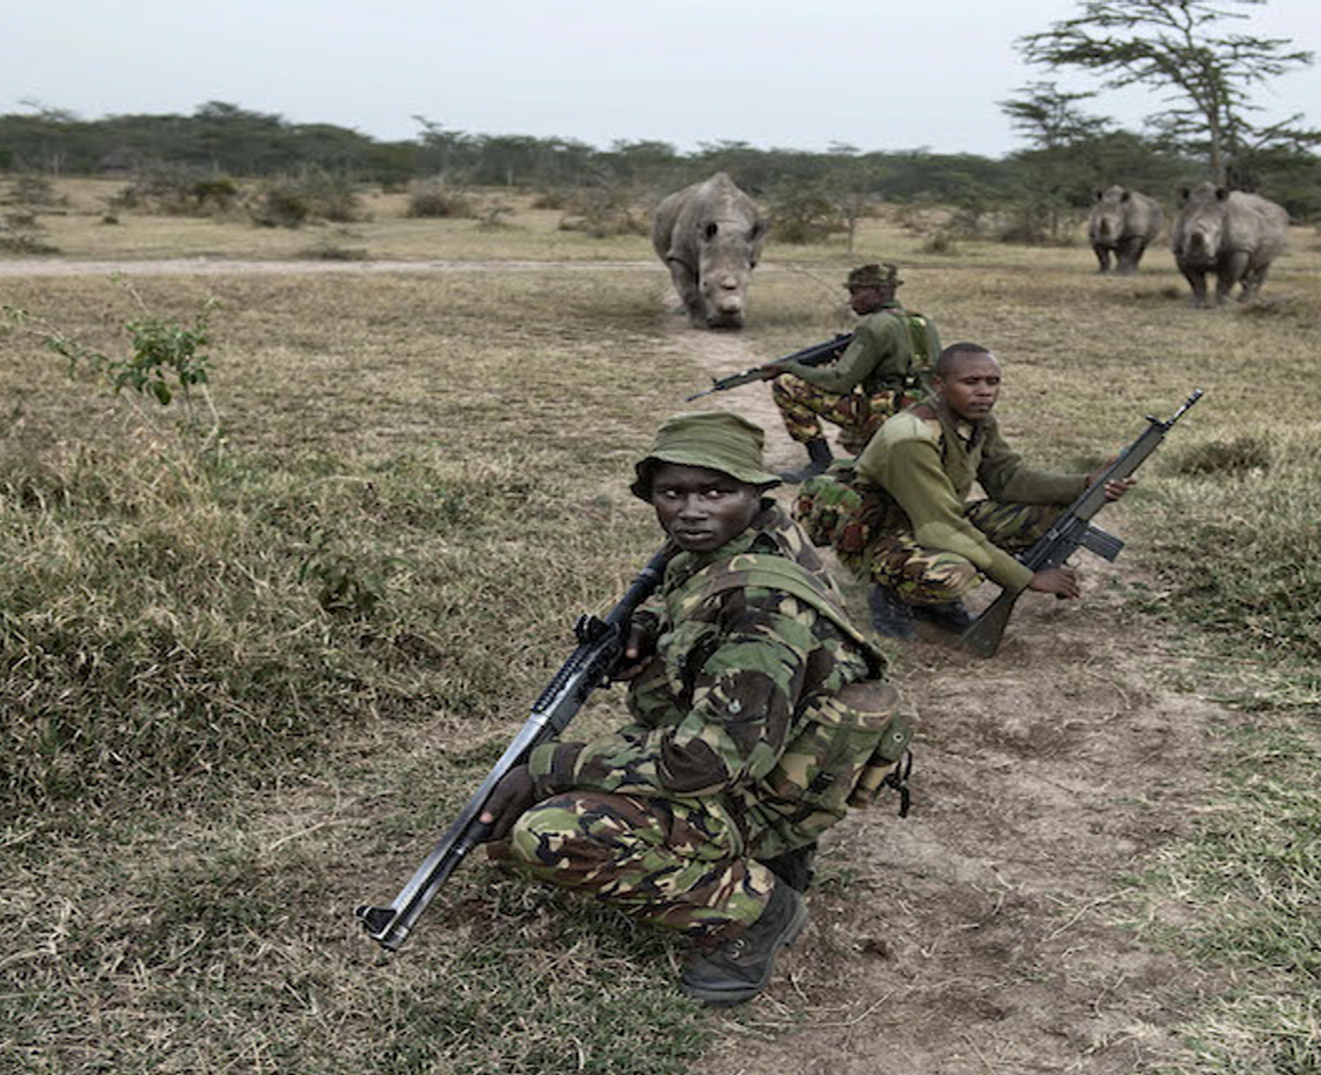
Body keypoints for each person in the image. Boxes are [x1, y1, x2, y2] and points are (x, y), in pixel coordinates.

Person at [477, 411, 902, 1007]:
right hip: (770, 753)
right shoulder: (744, 537)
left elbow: (705, 763)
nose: (691, 510)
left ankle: (757, 911)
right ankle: (765, 859)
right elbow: (687, 602)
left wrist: (550, 764)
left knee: (551, 832)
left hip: (752, 783)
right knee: (522, 816)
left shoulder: (764, 607)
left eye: (716, 491)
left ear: (756, 491)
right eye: (671, 493)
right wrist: (646, 629)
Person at [841, 342, 1133, 639]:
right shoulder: (910, 436)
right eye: (971, 382)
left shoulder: (974, 419)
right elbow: (940, 529)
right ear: (939, 385)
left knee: (1051, 516)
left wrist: (1085, 484)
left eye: (993, 382)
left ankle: (932, 601)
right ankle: (891, 594)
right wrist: (1026, 578)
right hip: (879, 536)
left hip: (931, 518)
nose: (985, 391)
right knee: (954, 572)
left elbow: (1007, 480)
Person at [761, 263, 942, 482]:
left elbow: (839, 381)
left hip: (887, 414)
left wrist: (792, 367)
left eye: (856, 292)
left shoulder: (873, 326)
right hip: (928, 413)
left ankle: (820, 461)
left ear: (880, 292)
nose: (851, 300)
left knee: (787, 384)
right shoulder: (922, 322)